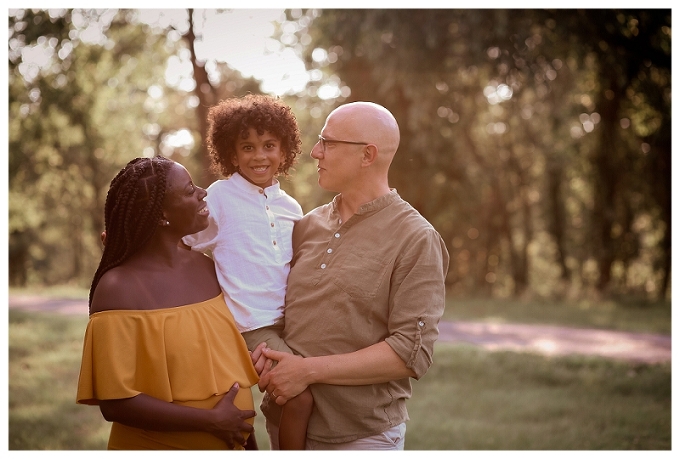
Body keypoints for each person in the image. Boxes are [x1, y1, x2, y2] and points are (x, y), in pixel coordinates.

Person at [256, 101, 450, 450]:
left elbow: (410, 352)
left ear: (367, 155)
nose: (316, 152)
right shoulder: (304, 226)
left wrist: (307, 371)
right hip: (282, 423)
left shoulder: (416, 238)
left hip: (360, 437)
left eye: (328, 143)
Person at [76, 156, 261, 450]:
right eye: (189, 190)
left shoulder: (207, 268)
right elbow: (116, 403)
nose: (203, 192)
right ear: (162, 214)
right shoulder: (118, 289)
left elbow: (228, 376)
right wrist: (210, 422)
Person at [181, 94, 313, 450]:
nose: (259, 156)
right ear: (232, 154)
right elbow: (185, 243)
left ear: (284, 151)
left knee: (291, 399)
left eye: (269, 145)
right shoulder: (220, 197)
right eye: (247, 147)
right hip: (251, 325)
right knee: (299, 397)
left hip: (292, 321)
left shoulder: (291, 206)